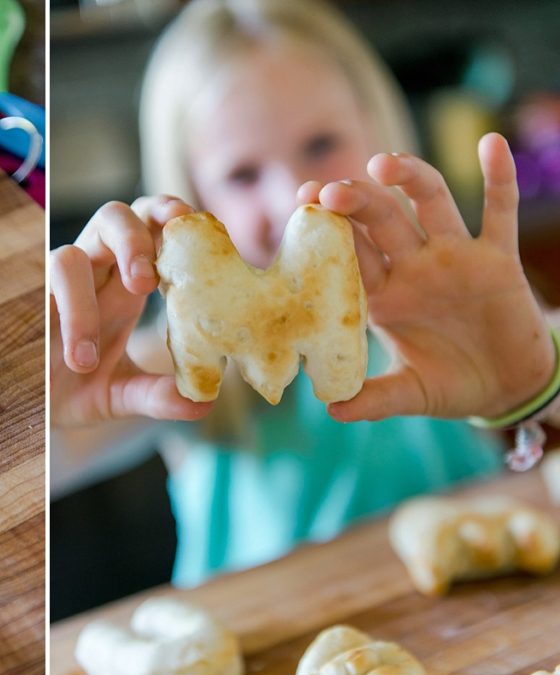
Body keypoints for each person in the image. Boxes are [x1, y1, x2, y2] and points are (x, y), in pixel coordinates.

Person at [50, 0, 558, 588]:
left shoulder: (460, 315)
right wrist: (49, 397)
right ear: (191, 202)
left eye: (320, 145)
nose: (294, 198)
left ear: (380, 132)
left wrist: (536, 378)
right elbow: (49, 463)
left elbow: (538, 364)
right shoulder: (172, 367)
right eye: (242, 174)